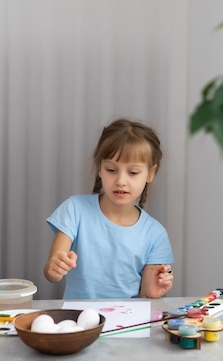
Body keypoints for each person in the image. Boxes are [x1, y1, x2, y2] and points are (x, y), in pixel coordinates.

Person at [43, 118, 174, 299]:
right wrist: (55, 267)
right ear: (100, 168)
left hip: (128, 324)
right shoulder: (75, 209)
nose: (121, 181)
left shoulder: (156, 234)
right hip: (78, 322)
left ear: (150, 173)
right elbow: (51, 273)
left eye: (133, 173)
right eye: (111, 170)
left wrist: (155, 291)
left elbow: (147, 296)